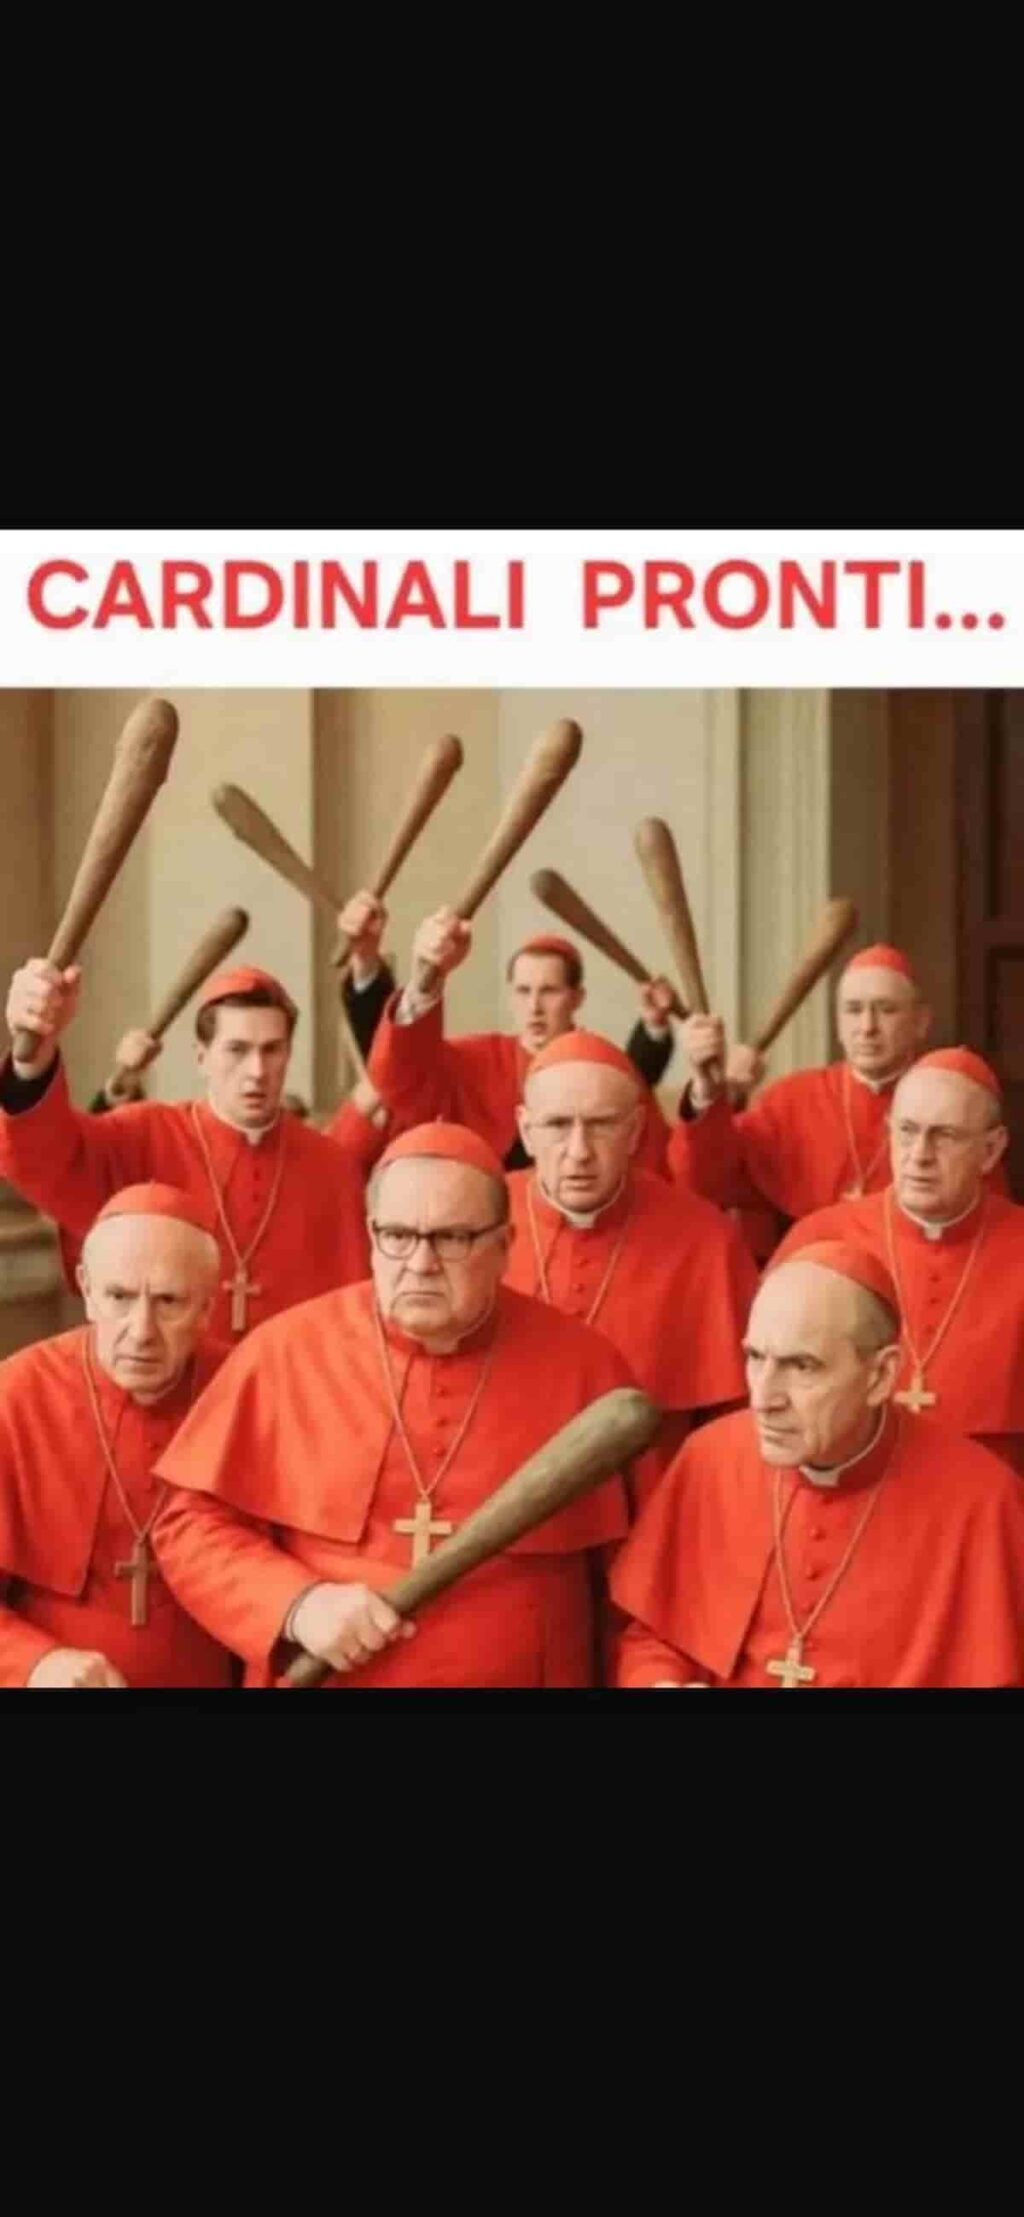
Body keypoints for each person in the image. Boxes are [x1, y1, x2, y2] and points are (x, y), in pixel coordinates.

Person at [151, 1122, 648, 1689]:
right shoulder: (284, 1352)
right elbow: (191, 1527)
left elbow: (642, 1587)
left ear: (504, 1246)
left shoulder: (586, 1367)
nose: (420, 1262)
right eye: (398, 1235)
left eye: (452, 1238)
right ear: (370, 1235)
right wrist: (299, 1606)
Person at [612, 1241, 1024, 1690]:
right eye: (755, 1357)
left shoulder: (984, 1503)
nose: (764, 1398)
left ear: (881, 1375)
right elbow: (655, 1639)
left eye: (802, 1366)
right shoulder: (709, 1458)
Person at [0, 960, 369, 1344]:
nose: (257, 1070)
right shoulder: (143, 1135)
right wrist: (34, 1058)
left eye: (272, 1050)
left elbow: (352, 1318)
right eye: (237, 1050)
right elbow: (40, 1153)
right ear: (201, 1057)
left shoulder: (331, 1166)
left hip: (288, 1378)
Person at [0, 1183, 236, 1689]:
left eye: (169, 1301)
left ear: (207, 1306)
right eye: (119, 1297)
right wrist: (35, 1664)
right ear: (86, 1290)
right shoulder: (15, 1398)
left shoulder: (242, 1388)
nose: (142, 1330)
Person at [504, 1030, 756, 1478]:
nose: (579, 1152)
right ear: (526, 1130)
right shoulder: (474, 1222)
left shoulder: (705, 1239)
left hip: (650, 1501)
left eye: (600, 1124)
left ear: (636, 1130)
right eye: (558, 1125)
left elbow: (732, 1431)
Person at [770, 1047, 1024, 1472]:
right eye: (907, 1131)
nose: (920, 1154)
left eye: (945, 1136)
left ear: (990, 1150)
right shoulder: (818, 1239)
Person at [358, 900, 674, 1173]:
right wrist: (425, 983)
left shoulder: (602, 1066)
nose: (534, 1006)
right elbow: (400, 1076)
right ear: (511, 996)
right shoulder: (474, 1058)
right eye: (523, 991)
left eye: (549, 991)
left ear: (577, 998)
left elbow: (651, 1165)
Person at [670, 944, 935, 1229]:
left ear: (921, 1022)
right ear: (839, 1024)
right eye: (854, 1010)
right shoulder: (791, 1099)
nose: (867, 1026)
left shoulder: (945, 1101)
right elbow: (706, 1181)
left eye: (886, 1010)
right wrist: (706, 1091)